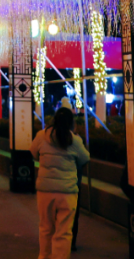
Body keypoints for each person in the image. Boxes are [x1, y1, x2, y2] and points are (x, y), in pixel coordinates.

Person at [31, 107, 90, 259]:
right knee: (64, 231)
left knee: (46, 228)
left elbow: (33, 152)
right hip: (67, 192)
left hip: (45, 190)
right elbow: (85, 159)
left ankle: (44, 256)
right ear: (71, 122)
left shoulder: (41, 136)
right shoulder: (75, 140)